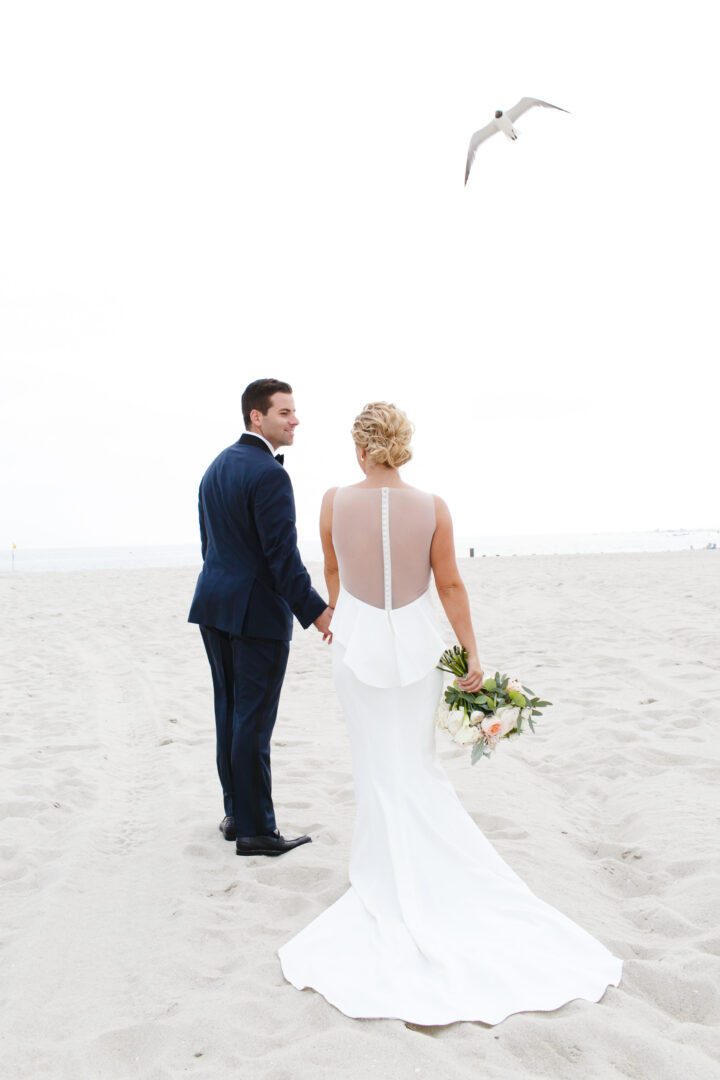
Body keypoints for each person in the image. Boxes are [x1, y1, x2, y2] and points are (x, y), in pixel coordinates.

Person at [278, 402, 622, 1024]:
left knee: (375, 768)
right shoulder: (433, 505)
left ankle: (386, 875)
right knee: (417, 764)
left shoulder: (330, 500)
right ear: (405, 445)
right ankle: (428, 874)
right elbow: (450, 584)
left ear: (359, 447)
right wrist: (471, 656)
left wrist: (343, 619)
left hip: (355, 649)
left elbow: (332, 571)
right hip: (418, 650)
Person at [188, 379, 333, 857]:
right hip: (254, 614)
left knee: (229, 713)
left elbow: (211, 544)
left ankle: (236, 814)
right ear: (257, 417)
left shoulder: (215, 467)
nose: (295, 420)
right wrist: (317, 612)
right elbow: (281, 557)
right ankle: (256, 830)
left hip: (214, 604)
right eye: (285, 412)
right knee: (252, 720)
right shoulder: (270, 474)